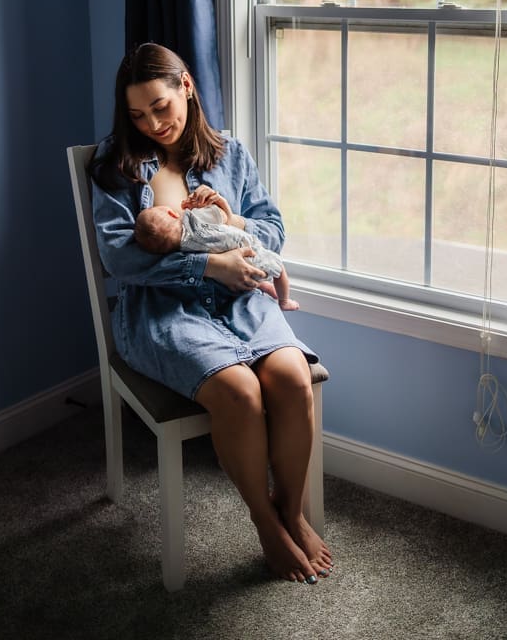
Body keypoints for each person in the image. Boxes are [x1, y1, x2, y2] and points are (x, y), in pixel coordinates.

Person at [90, 43, 332, 585]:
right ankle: (265, 522)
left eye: (160, 106)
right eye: (137, 115)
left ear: (187, 87)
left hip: (241, 303)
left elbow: (273, 228)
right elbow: (120, 259)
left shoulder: (229, 153)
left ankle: (290, 509)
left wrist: (234, 227)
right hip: (161, 312)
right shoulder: (116, 168)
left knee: (292, 379)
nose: (152, 124)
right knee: (241, 392)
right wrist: (207, 269)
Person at [133, 187, 300, 312]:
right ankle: (284, 300)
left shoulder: (181, 250)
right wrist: (210, 204)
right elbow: (222, 216)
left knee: (254, 278)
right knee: (279, 269)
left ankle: (264, 286)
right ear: (172, 213)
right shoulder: (195, 220)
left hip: (227, 278)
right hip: (247, 250)